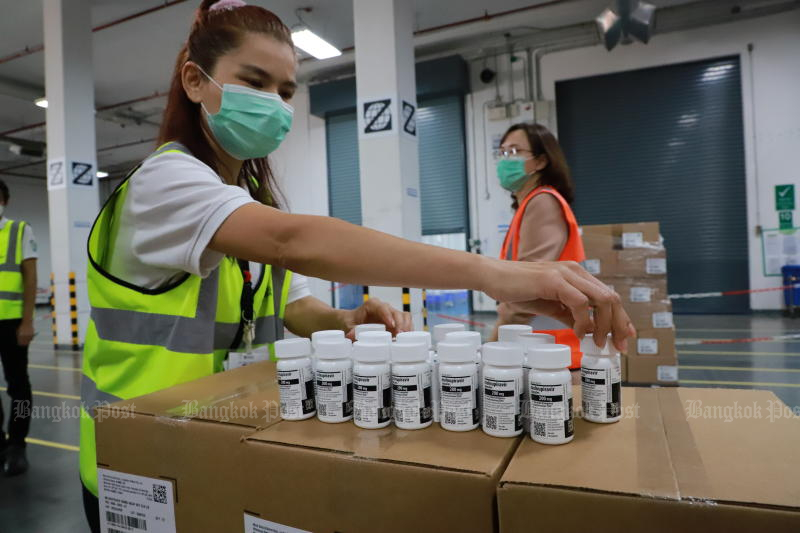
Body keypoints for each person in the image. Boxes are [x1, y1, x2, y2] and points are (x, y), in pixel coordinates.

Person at [80, 2, 633, 530]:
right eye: (253, 82)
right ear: (196, 81)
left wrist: (342, 321)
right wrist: (492, 273)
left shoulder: (247, 195)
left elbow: (292, 304)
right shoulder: (164, 183)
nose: (274, 102)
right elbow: (292, 241)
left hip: (218, 442)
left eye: (286, 90)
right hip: (140, 456)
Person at [493, 123, 592, 370]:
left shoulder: (542, 202)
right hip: (542, 350)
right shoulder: (528, 205)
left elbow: (527, 284)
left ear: (540, 162)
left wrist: (494, 342)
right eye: (502, 152)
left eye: (514, 151)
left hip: (552, 353)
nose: (506, 160)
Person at [0, 178, 36, 476]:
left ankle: (18, 444)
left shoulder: (19, 230)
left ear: (5, 201)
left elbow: (30, 278)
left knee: (19, 387)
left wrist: (27, 321)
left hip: (12, 324)